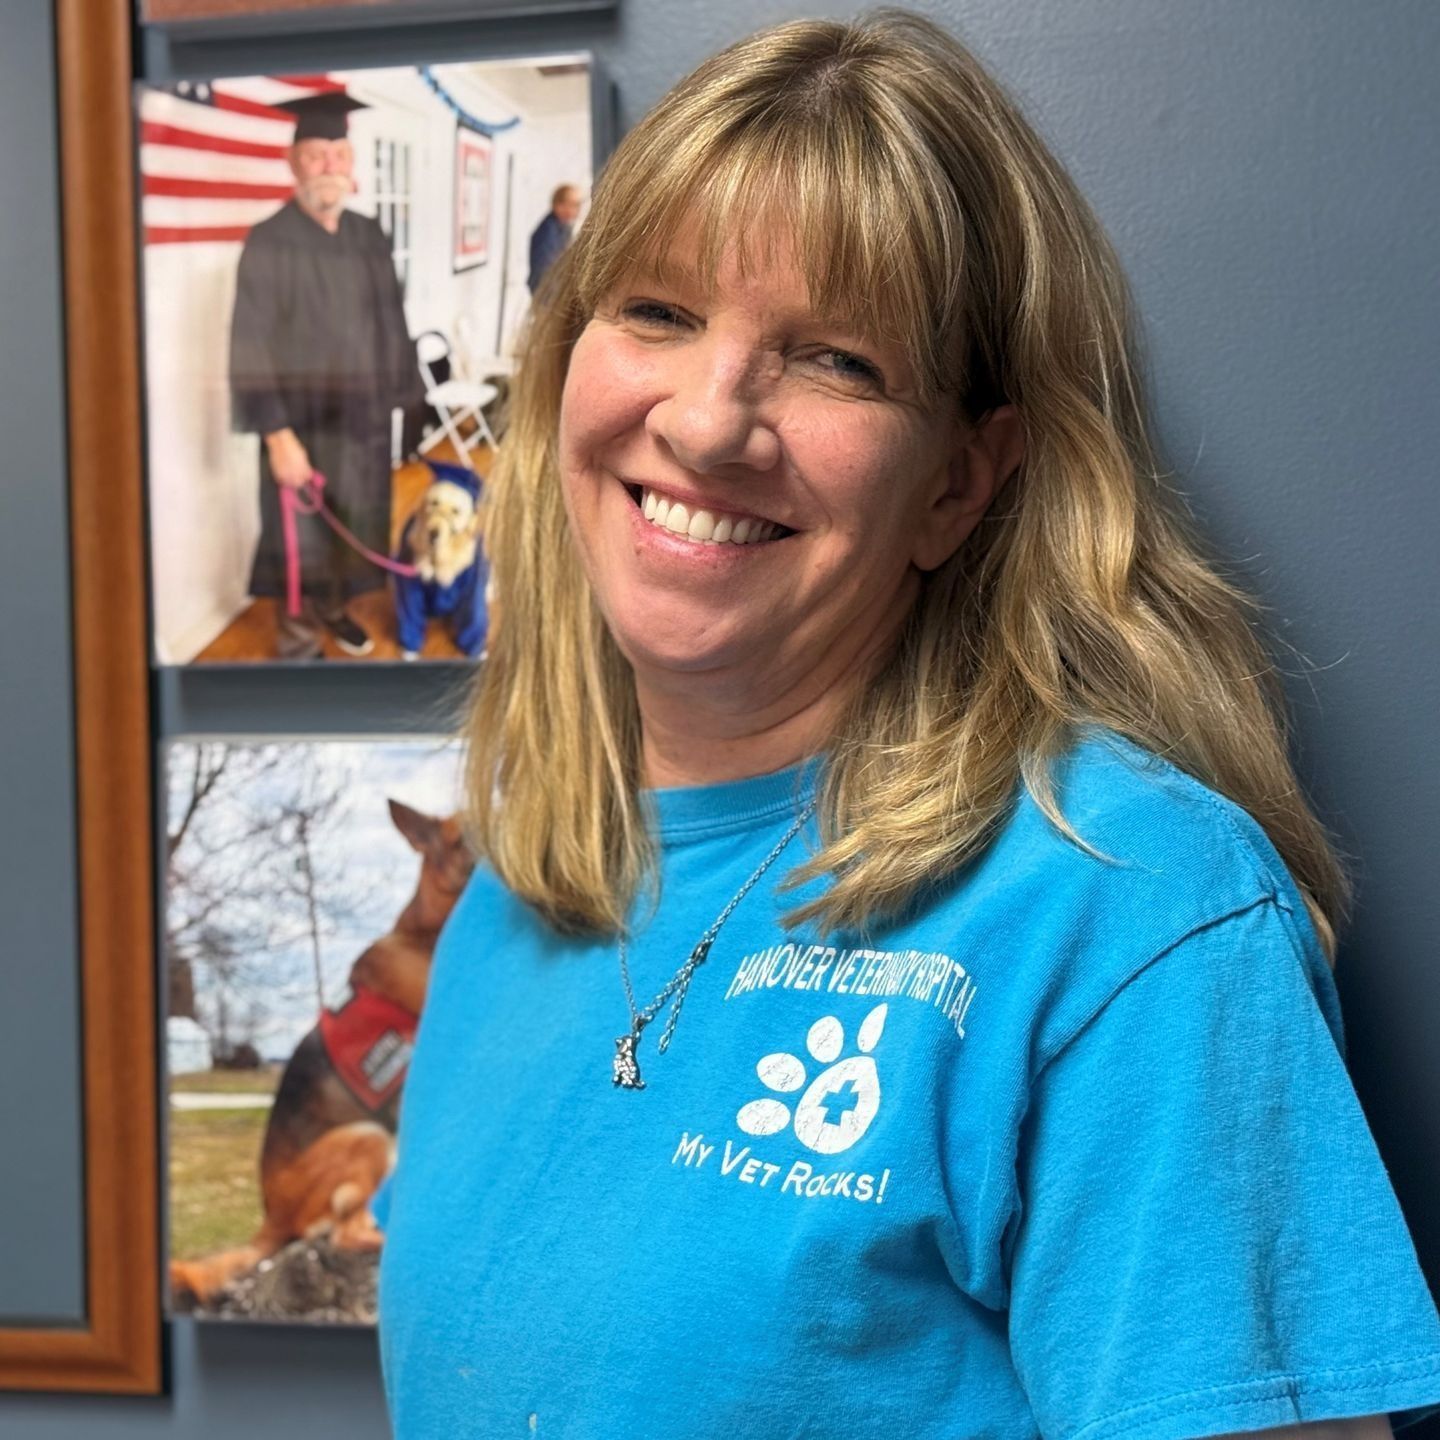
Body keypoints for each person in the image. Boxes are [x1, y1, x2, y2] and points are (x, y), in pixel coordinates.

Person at [374, 12, 1440, 1438]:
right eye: (657, 313)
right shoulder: (520, 884)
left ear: (960, 480)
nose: (707, 421)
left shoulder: (1125, 913)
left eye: (836, 362)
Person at [229, 91, 422, 660]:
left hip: (362, 427)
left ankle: (335, 612)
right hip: (301, 431)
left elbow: (393, 319)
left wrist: (407, 405)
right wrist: (277, 438)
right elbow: (248, 344)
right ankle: (297, 648)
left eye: (340, 154)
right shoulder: (268, 241)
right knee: (299, 544)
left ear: (352, 164)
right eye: (317, 154)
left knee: (353, 531)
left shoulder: (369, 236)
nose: (330, 166)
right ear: (293, 163)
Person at [526, 182, 581, 296]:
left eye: (576, 205)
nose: (574, 210)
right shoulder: (548, 233)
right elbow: (546, 273)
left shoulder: (563, 227)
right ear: (558, 205)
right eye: (571, 205)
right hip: (548, 298)